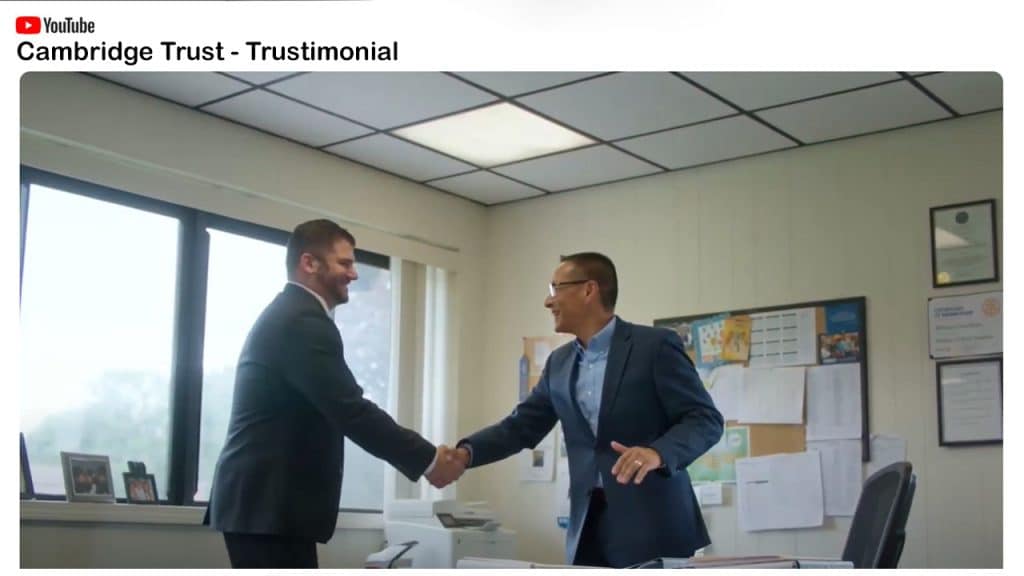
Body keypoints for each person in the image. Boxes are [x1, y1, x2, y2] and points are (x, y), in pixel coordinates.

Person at [204, 219, 464, 568]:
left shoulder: (295, 315)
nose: (353, 274)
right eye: (344, 263)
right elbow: (350, 410)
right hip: (267, 504)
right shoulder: (302, 321)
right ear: (309, 263)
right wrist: (429, 460)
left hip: (266, 506)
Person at [451, 252, 723, 567]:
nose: (548, 301)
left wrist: (657, 453)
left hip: (655, 526)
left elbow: (706, 420)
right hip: (587, 528)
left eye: (556, 288)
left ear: (588, 290)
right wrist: (465, 454)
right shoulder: (559, 363)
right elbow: (520, 427)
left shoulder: (655, 346)